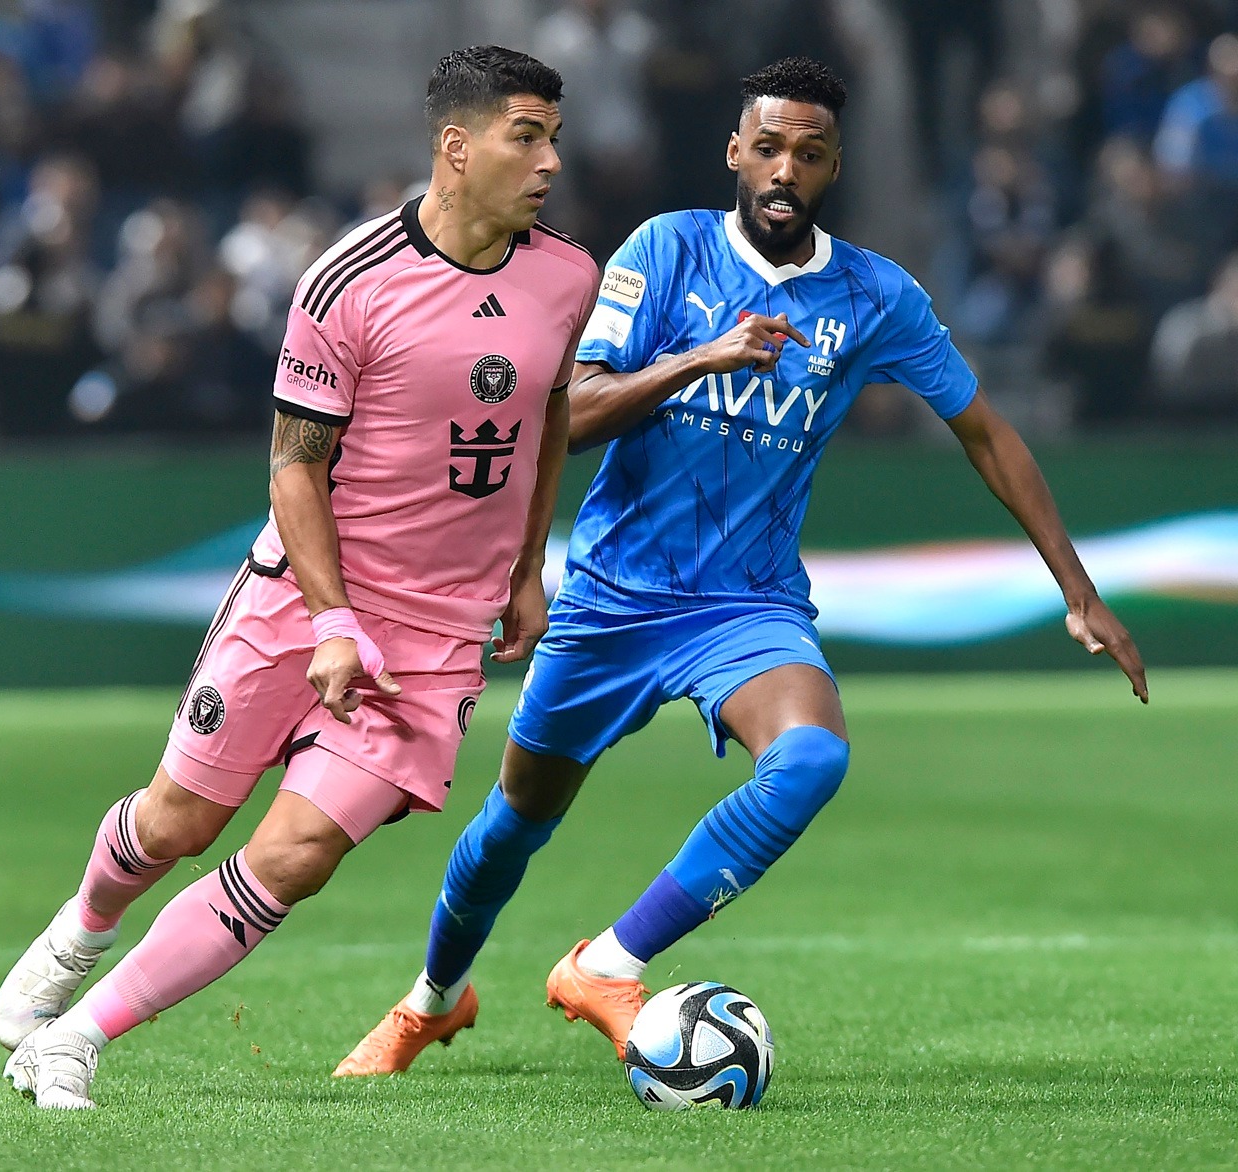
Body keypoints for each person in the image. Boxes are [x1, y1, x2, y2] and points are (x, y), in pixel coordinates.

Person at [336, 56, 1148, 1077]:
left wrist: (1078, 589)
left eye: (807, 154)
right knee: (511, 823)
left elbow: (985, 432)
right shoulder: (665, 250)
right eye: (766, 146)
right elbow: (570, 412)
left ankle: (606, 959)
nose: (782, 169)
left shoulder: (873, 295)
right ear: (733, 149)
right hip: (614, 596)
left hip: (746, 604)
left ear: (833, 165)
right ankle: (430, 1000)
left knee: (811, 758)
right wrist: (699, 358)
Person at [0, 44, 600, 1109]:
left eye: (554, 134)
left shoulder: (567, 276)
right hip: (299, 599)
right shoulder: (346, 279)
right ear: (455, 149)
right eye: (527, 135)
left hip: (438, 631)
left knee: (300, 853)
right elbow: (293, 466)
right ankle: (81, 925)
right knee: (179, 826)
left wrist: (523, 567)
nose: (551, 158)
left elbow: (544, 415)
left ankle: (75, 1038)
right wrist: (331, 619)